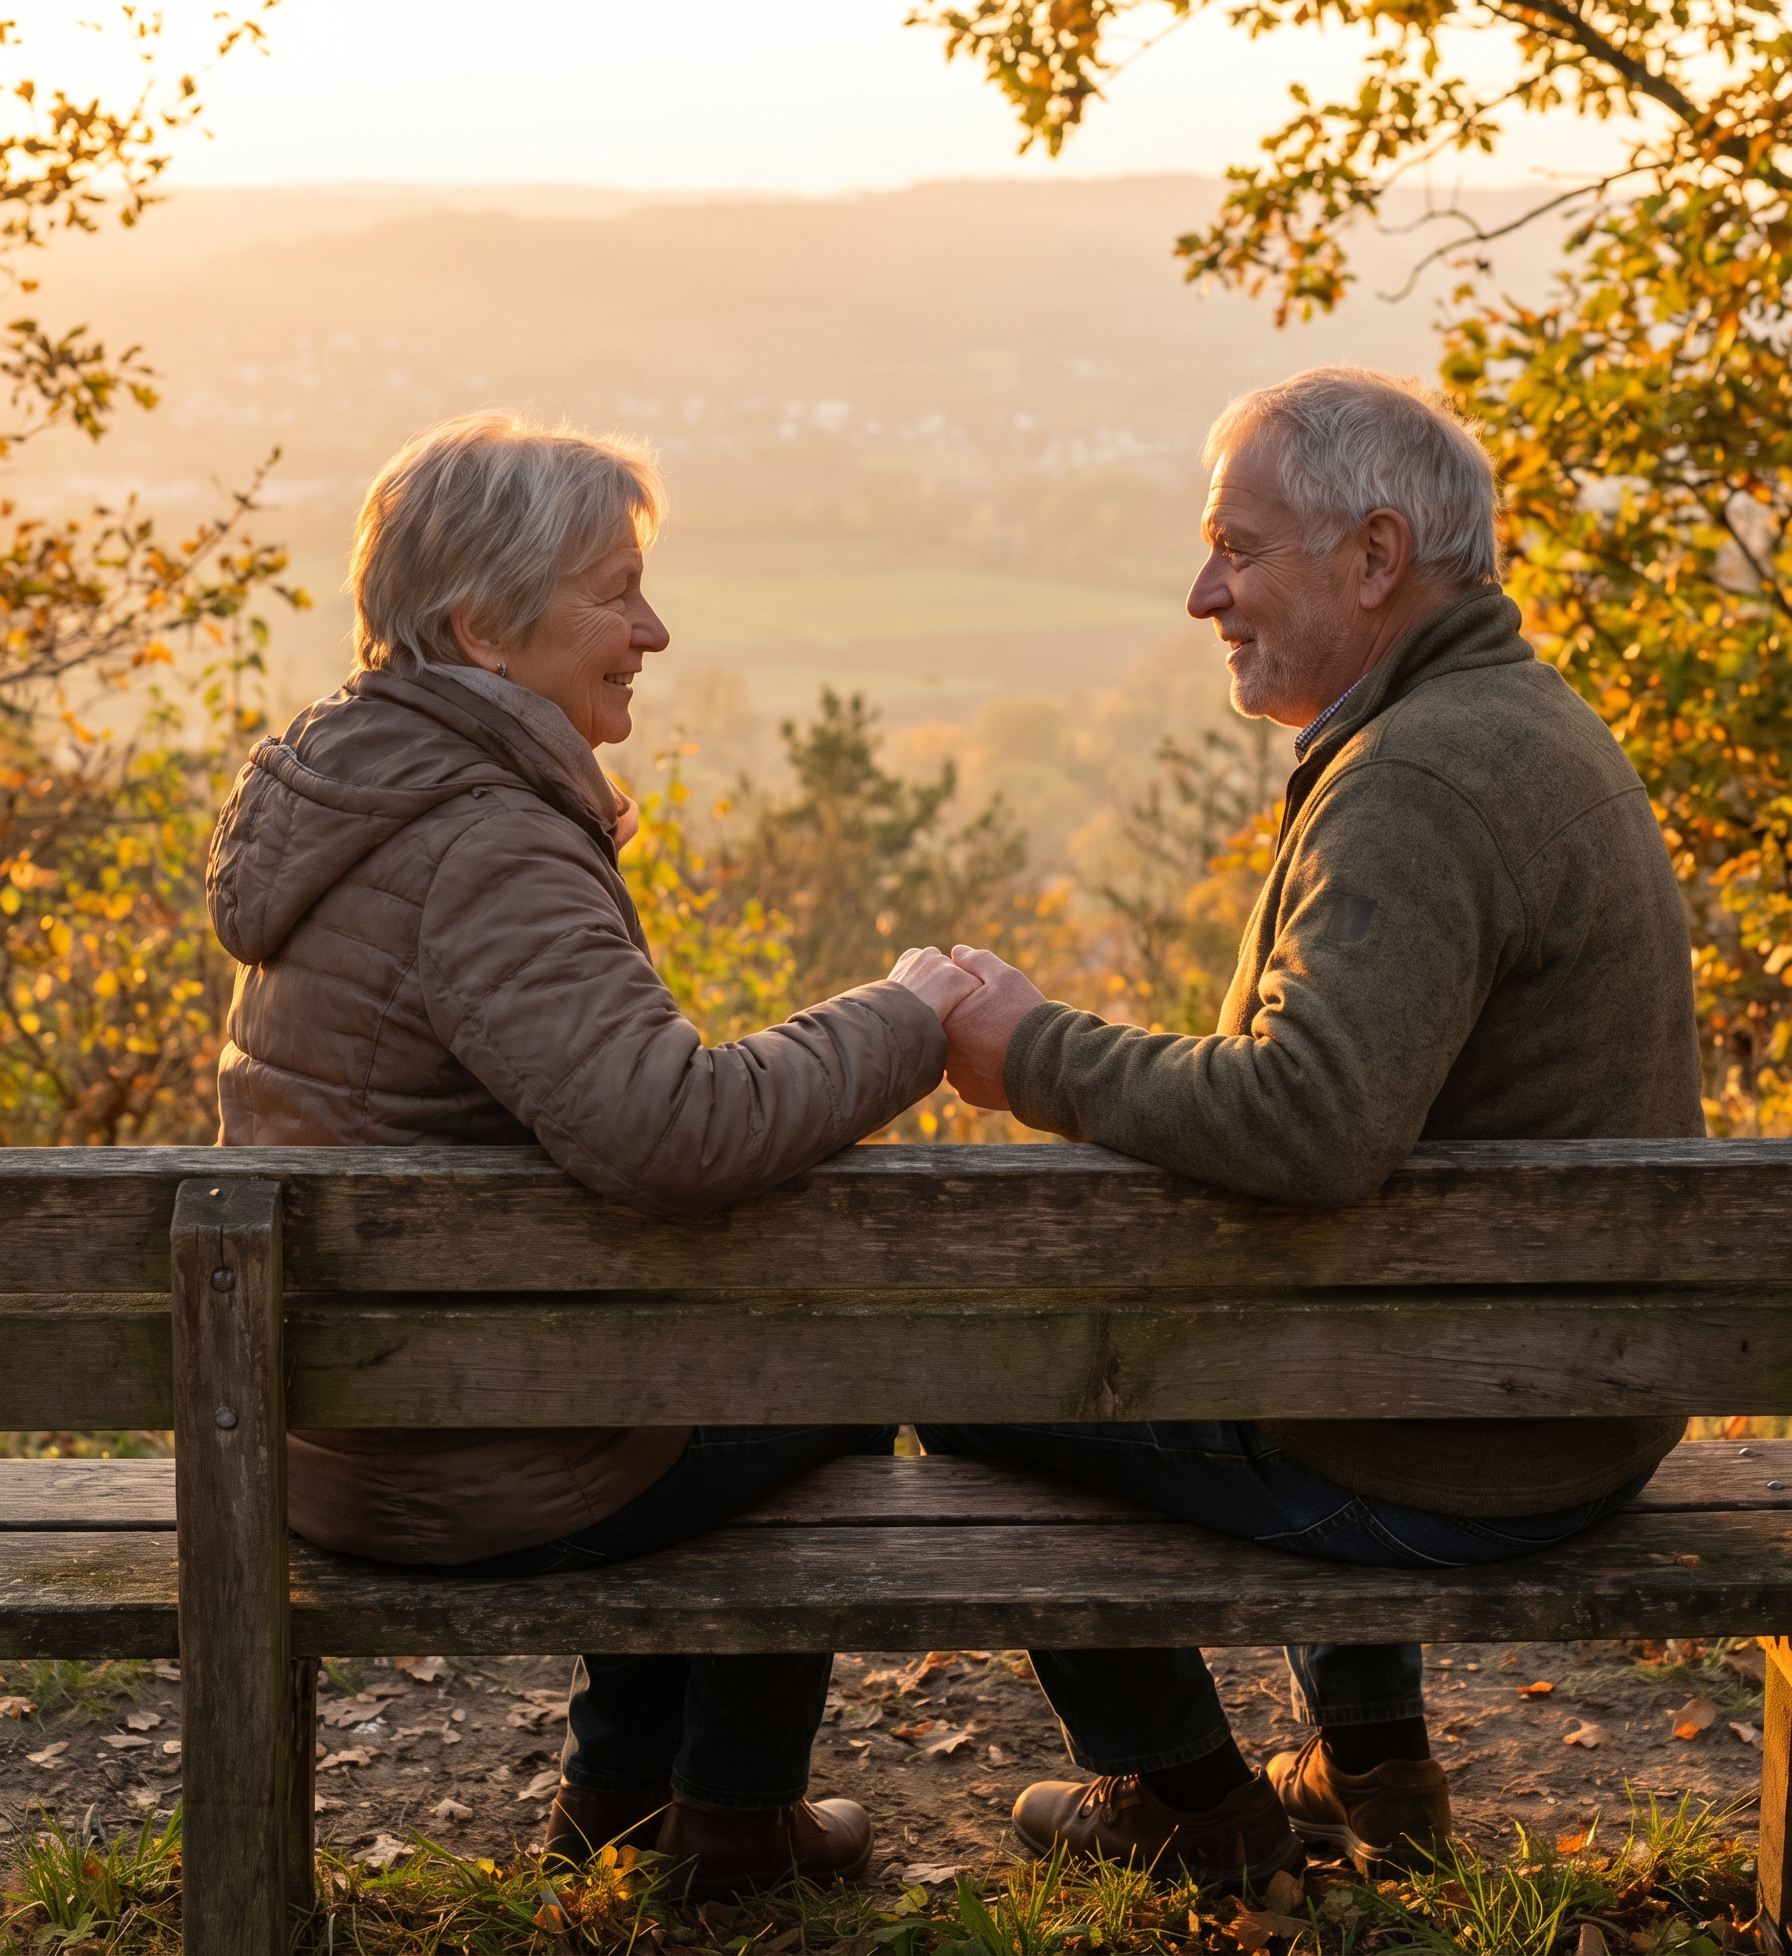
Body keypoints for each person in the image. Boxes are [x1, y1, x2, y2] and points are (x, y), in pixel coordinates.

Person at [889, 366, 1703, 1886]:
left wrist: (1025, 1048)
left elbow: (1314, 1122)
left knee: (970, 1370)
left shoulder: (1420, 780)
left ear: (1375, 559)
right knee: (1313, 1297)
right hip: (1571, 1396)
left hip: (1465, 1452)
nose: (1204, 592)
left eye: (1238, 548)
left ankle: (1186, 1803)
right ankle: (1373, 1763)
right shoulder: (1514, 720)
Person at [206, 410, 972, 1894]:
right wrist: (909, 1017)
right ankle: (732, 1826)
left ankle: (619, 1806)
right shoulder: (481, 840)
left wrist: (561, 826)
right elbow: (670, 1133)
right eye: (615, 594)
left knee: (687, 1368)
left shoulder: (386, 799)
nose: (653, 629)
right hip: (464, 1471)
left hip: (336, 1440)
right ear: (487, 627)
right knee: (832, 1375)